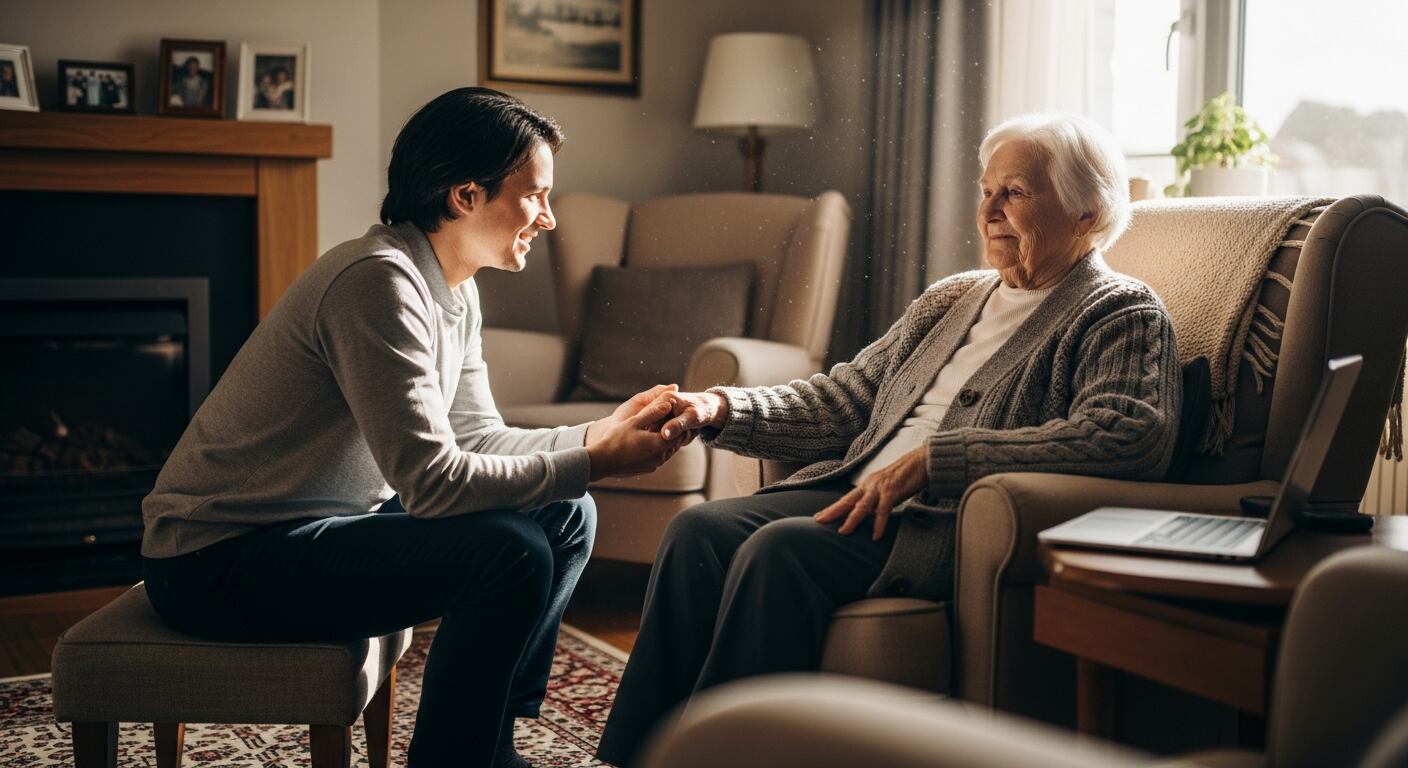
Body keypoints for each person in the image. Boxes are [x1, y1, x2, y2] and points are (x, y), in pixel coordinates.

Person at [596, 113, 1182, 767]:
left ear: (1087, 211)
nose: (988, 210)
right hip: (852, 493)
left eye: (1013, 192)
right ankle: (634, 756)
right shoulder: (953, 298)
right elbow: (846, 399)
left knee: (780, 551)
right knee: (695, 531)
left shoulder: (1119, 309)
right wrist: (720, 406)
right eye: (985, 190)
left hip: (935, 523)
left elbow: (1130, 435)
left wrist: (939, 460)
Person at [140, 87, 686, 768]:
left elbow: (478, 440)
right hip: (216, 561)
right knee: (510, 552)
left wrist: (596, 433)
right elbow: (432, 485)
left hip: (310, 530)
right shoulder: (378, 283)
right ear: (464, 195)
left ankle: (491, 742)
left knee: (565, 512)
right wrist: (597, 458)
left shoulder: (454, 289)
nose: (547, 218)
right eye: (536, 195)